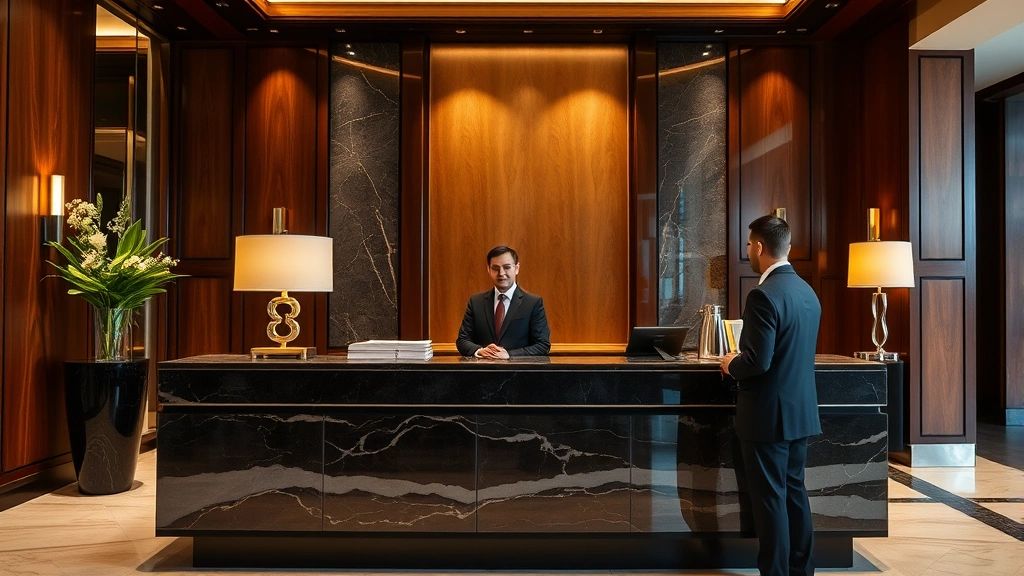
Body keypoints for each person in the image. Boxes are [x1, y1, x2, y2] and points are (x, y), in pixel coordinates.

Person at [719, 215, 822, 576]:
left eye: (749, 244)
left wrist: (731, 363)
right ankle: (801, 570)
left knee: (770, 501)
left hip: (767, 418)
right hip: (800, 414)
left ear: (760, 247)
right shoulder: (807, 291)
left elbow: (757, 362)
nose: (748, 250)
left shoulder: (763, 295)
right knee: (794, 492)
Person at [456, 246, 551, 358]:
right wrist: (480, 351)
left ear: (516, 268)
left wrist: (509, 355)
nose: (501, 273)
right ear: (489, 269)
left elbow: (542, 345)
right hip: (483, 367)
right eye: (495, 268)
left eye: (507, 267)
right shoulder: (476, 302)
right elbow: (462, 340)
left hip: (518, 368)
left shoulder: (533, 303)